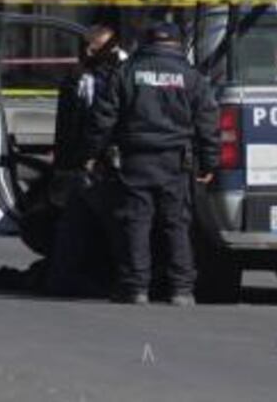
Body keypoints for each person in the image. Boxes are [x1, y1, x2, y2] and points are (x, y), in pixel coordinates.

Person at [0, 25, 126, 296]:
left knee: (69, 244)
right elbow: (69, 124)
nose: (89, 51)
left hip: (96, 171)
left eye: (95, 46)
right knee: (61, 235)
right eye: (87, 46)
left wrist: (89, 157)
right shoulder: (82, 77)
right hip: (81, 169)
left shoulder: (114, 77)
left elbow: (101, 125)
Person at [83, 21, 219, 306]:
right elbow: (208, 122)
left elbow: (102, 118)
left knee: (136, 223)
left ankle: (136, 288)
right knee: (177, 224)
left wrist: (93, 154)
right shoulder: (192, 77)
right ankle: (181, 289)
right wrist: (209, 164)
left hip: (135, 160)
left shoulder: (127, 72)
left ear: (146, 43)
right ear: (178, 44)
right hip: (176, 161)